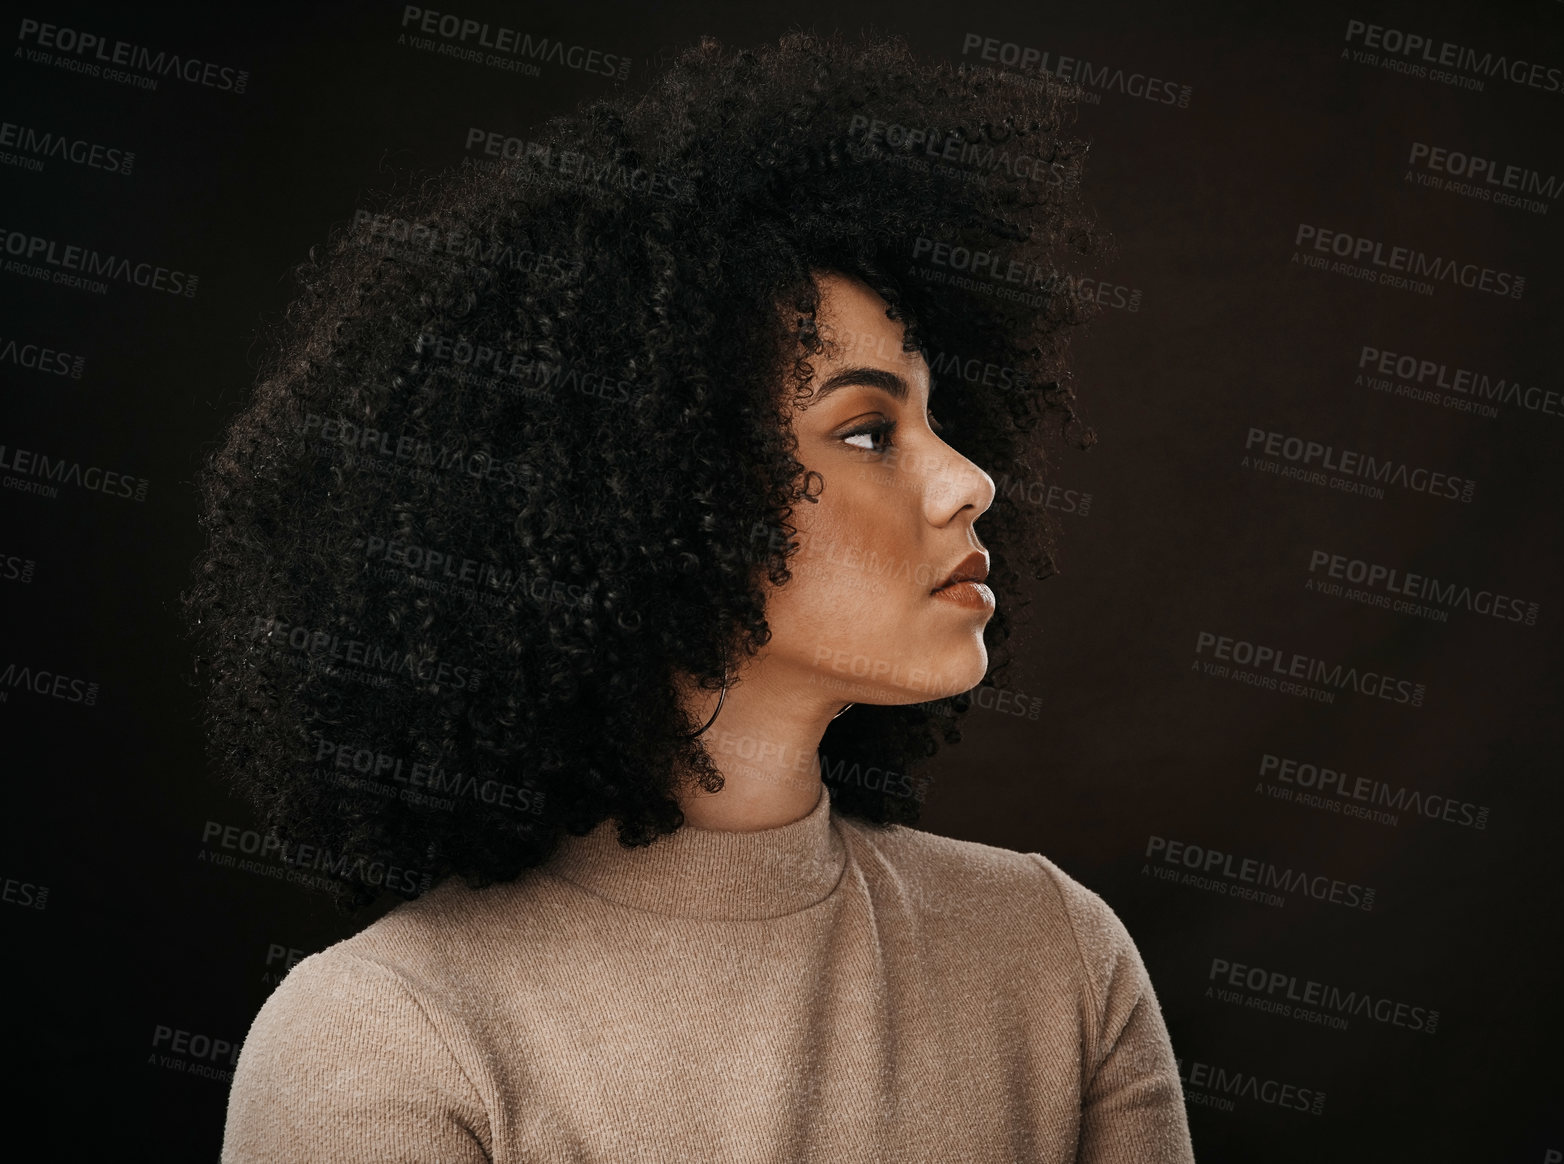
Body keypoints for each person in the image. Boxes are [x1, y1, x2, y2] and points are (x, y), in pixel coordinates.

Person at [183, 28, 1195, 1163]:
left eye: (937, 418)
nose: (969, 481)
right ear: (653, 490)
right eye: (868, 430)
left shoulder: (1056, 959)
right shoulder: (382, 1043)